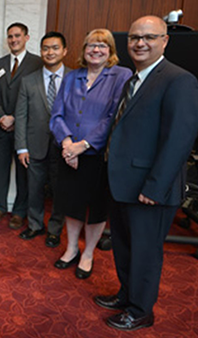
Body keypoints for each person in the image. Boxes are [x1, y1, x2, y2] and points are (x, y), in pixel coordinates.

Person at [98, 16, 198, 331]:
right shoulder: (134, 80)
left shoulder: (178, 80)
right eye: (134, 38)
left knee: (144, 253)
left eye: (149, 37)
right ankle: (127, 295)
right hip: (124, 184)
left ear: (165, 41)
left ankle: (141, 311)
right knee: (125, 247)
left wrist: (155, 187)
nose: (140, 43)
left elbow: (179, 139)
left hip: (151, 189)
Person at [50, 28, 132, 279]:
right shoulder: (72, 76)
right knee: (71, 203)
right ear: (83, 50)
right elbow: (57, 113)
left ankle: (88, 254)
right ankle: (73, 248)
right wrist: (67, 144)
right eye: (91, 45)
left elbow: (113, 117)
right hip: (67, 153)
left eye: (102, 46)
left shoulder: (121, 75)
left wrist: (82, 145)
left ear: (110, 51)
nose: (96, 50)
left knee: (96, 207)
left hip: (97, 155)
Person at [15, 31, 70, 247]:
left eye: (55, 48)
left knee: (60, 190)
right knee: (34, 189)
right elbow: (21, 115)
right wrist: (21, 147)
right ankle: (35, 225)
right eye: (46, 48)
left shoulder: (75, 78)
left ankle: (55, 229)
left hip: (65, 146)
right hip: (34, 145)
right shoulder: (28, 81)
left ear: (64, 51)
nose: (50, 52)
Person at [0, 22, 43, 230]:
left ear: (27, 38)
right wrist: (2, 116)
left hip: (26, 128)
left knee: (24, 172)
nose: (13, 40)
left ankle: (20, 211)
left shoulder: (37, 63)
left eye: (17, 36)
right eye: (10, 36)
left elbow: (38, 96)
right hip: (0, 126)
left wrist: (16, 119)